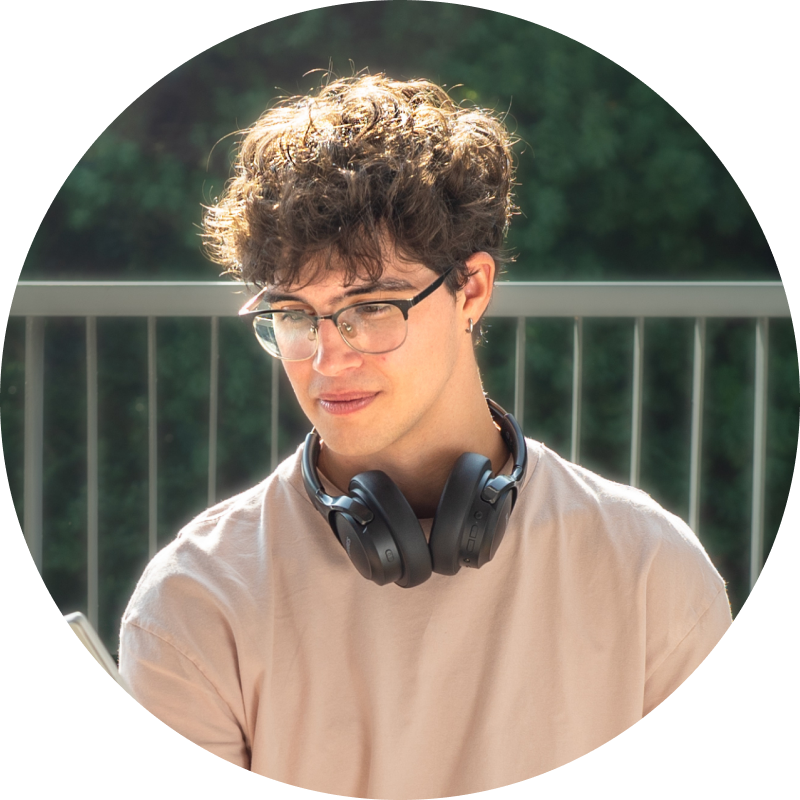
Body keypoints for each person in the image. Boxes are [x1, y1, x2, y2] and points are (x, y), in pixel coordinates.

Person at [119, 74, 732, 796]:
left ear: (471, 289)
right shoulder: (194, 603)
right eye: (293, 315)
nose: (326, 359)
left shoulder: (651, 572)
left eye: (371, 307)